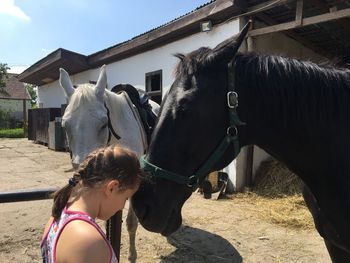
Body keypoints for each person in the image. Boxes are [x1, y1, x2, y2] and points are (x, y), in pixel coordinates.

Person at [41, 145, 145, 263]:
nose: (122, 207)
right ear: (112, 188)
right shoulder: (88, 242)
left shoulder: (59, 212)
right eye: (126, 198)